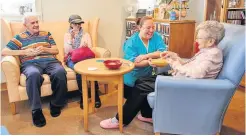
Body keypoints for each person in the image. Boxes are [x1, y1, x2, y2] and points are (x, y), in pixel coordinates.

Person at [101, 20, 225, 129]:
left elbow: (197, 73)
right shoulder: (208, 51)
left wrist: (174, 63)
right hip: (180, 78)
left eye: (199, 38)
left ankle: (120, 120)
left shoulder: (212, 54)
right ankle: (147, 115)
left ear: (210, 41)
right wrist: (176, 57)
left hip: (184, 85)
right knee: (141, 81)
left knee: (141, 87)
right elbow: (192, 66)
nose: (196, 40)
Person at [1, 14, 68, 127]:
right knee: (33, 75)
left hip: (50, 61)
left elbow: (55, 50)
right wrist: (24, 52)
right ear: (25, 25)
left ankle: (56, 104)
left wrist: (45, 49)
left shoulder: (46, 34)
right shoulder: (19, 37)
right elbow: (4, 52)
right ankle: (36, 111)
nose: (36, 25)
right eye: (33, 23)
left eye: (37, 22)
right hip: (31, 63)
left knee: (60, 72)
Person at [100, 16, 167, 129]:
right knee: (141, 89)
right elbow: (134, 63)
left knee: (145, 87)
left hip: (147, 78)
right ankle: (130, 118)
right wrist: (149, 62)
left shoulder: (156, 37)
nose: (151, 30)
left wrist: (146, 56)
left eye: (153, 27)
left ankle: (146, 115)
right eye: (148, 28)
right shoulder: (131, 42)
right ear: (139, 28)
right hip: (129, 82)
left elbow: (162, 52)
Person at [63, 14, 101, 109]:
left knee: (92, 70)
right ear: (71, 24)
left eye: (79, 23)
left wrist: (85, 46)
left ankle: (95, 94)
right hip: (72, 59)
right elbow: (67, 51)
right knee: (79, 72)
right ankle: (83, 96)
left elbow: (90, 49)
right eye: (75, 24)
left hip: (84, 58)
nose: (78, 26)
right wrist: (71, 39)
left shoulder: (86, 34)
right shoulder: (67, 35)